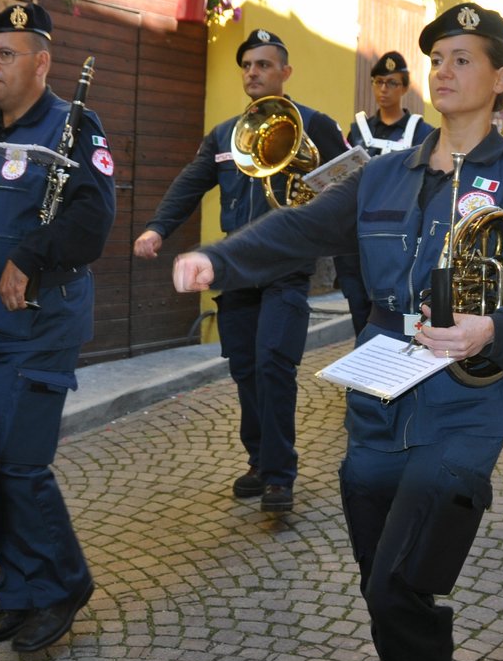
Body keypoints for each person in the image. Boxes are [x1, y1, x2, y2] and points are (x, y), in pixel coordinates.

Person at [170, 2, 503, 661]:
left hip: (466, 410)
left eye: (464, 58)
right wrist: (219, 260)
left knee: (398, 585)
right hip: (377, 406)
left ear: (501, 78)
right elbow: (299, 229)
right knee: (387, 590)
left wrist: (493, 328)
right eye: (439, 58)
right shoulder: (384, 174)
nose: (445, 71)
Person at [0, 3, 114, 653]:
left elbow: (92, 219)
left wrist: (30, 255)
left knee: (19, 462)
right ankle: (20, 594)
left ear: (41, 63)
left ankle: (63, 582)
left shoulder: (73, 129)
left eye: (5, 53)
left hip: (38, 322)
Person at [133, 29, 347, 513]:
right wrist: (157, 228)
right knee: (246, 368)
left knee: (274, 362)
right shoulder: (225, 134)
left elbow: (351, 182)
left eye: (264, 65)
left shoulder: (317, 124)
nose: (253, 73)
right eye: (247, 65)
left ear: (285, 72)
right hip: (234, 270)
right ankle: (259, 459)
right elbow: (190, 184)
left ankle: (279, 474)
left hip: (287, 268)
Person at [341, 51, 434, 332]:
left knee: (400, 311)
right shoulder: (358, 131)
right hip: (357, 234)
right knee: (360, 307)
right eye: (378, 82)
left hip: (401, 237)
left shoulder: (422, 132)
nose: (384, 89)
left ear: (405, 87)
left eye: (392, 83)